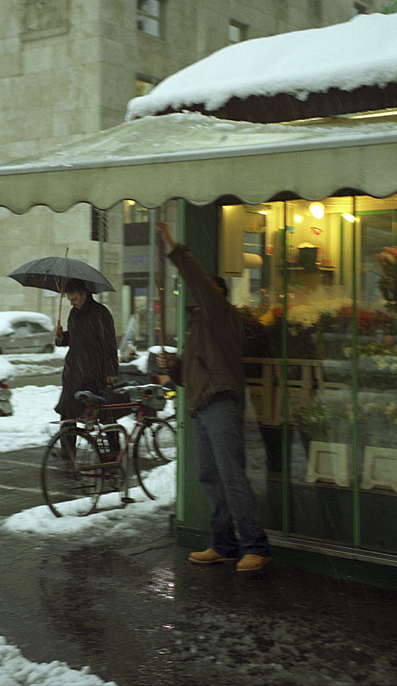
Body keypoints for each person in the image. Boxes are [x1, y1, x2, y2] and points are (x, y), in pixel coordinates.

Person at [156, 220, 272, 573]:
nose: (199, 291)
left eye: (207, 288)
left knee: (231, 475)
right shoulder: (199, 328)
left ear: (217, 293)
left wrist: (174, 247)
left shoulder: (222, 315)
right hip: (202, 405)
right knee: (212, 476)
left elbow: (198, 283)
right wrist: (173, 366)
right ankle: (224, 545)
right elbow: (191, 377)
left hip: (221, 402)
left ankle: (256, 546)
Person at [54, 278, 119, 457]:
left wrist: (111, 371)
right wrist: (60, 337)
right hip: (74, 371)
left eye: (74, 298)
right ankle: (67, 448)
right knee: (67, 409)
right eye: (69, 300)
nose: (72, 303)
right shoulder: (73, 314)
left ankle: (113, 449)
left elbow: (109, 343)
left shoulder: (101, 313)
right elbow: (72, 339)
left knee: (104, 412)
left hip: (94, 371)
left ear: (84, 294)